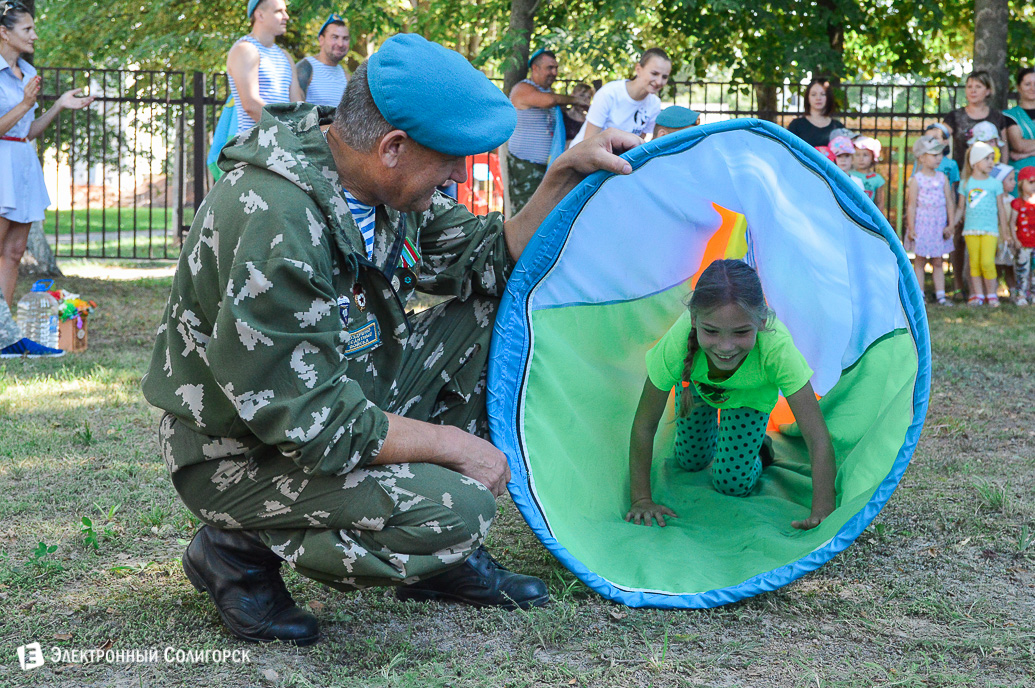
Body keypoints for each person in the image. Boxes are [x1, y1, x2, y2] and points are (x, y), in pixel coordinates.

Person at [142, 33, 641, 646]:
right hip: (242, 450)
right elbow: (314, 422)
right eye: (451, 158)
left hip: (340, 396)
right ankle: (234, 551)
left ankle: (437, 572)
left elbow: (486, 260)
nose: (461, 172)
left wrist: (561, 176)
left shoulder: (377, 183)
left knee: (490, 317)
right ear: (394, 147)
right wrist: (452, 445)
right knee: (457, 508)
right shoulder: (277, 220)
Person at [623, 259, 836, 531]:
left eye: (741, 332)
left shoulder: (777, 349)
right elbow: (644, 424)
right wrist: (641, 499)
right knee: (689, 461)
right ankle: (718, 436)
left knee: (732, 483)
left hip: (750, 398)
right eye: (711, 331)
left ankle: (761, 450)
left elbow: (817, 437)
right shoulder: (677, 345)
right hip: (699, 389)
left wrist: (822, 509)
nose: (725, 347)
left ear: (761, 321)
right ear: (694, 320)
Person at [0, 0, 91, 358]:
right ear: (4, 33)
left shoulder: (25, 71)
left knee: (15, 252)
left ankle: (4, 336)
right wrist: (23, 104)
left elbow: (27, 131)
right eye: (28, 29)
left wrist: (58, 106)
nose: (35, 35)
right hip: (1, 163)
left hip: (23, 162)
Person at [507, 50, 589, 214]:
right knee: (525, 214)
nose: (555, 73)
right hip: (526, 167)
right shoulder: (523, 88)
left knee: (543, 215)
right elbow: (550, 101)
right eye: (550, 68)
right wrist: (577, 100)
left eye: (556, 68)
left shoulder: (545, 91)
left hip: (545, 167)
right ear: (535, 69)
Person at [227, 0, 302, 137]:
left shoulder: (285, 56)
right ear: (260, 15)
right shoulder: (245, 49)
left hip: (283, 144)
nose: (286, 16)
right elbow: (251, 105)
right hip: (252, 146)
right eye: (279, 11)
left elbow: (297, 104)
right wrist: (287, 132)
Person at [570, 48, 671, 145]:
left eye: (664, 77)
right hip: (584, 156)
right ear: (638, 69)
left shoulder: (654, 103)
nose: (659, 81)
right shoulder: (609, 94)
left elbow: (638, 142)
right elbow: (588, 142)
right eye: (654, 73)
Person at [906, 136, 956, 306]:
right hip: (922, 224)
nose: (938, 157)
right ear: (921, 157)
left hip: (938, 225)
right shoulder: (916, 180)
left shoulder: (943, 178)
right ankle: (920, 295)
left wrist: (950, 224)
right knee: (919, 261)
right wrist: (911, 227)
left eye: (940, 154)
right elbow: (912, 205)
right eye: (934, 154)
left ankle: (941, 294)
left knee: (937, 260)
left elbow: (949, 201)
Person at [956, 141, 1006, 306]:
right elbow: (960, 208)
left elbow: (1001, 209)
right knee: (974, 263)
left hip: (990, 230)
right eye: (987, 158)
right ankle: (978, 295)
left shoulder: (995, 184)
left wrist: (1005, 232)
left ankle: (991, 294)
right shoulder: (966, 184)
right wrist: (952, 225)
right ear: (975, 162)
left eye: (992, 158)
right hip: (970, 230)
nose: (991, 162)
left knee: (987, 262)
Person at [943, 71, 1008, 173]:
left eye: (978, 86)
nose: (973, 90)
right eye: (969, 87)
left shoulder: (997, 116)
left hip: (991, 175)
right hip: (962, 175)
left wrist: (1004, 171)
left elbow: (1004, 146)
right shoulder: (954, 116)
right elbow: (940, 138)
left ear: (988, 91)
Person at [296, 13, 349, 108]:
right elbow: (295, 110)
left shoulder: (346, 76)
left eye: (345, 39)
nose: (340, 44)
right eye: (335, 37)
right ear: (321, 40)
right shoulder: (306, 68)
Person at [786, 78, 844, 148]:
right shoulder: (796, 125)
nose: (818, 98)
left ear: (828, 97)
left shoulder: (837, 127)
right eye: (813, 94)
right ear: (808, 98)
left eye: (823, 94)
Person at [1008, 166, 1035, 305]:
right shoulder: (1017, 204)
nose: (1034, 186)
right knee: (1022, 270)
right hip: (1023, 243)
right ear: (1021, 183)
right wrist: (1015, 238)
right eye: (1030, 182)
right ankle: (1021, 294)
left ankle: (1033, 294)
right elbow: (1012, 223)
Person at [1004, 67, 1035, 178]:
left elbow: (1024, 149)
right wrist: (1023, 151)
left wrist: (1028, 153)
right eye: (1027, 84)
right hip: (1019, 176)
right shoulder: (1010, 115)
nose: (1032, 88)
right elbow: (1019, 145)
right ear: (1019, 87)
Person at [850, 136, 886, 209]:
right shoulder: (848, 174)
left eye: (865, 155)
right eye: (857, 155)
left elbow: (880, 202)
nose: (861, 159)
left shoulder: (877, 179)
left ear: (872, 157)